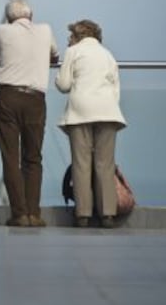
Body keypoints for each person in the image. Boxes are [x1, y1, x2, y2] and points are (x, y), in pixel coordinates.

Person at [0, 0, 59, 227]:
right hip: (36, 99)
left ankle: (19, 214)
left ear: (9, 18)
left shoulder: (1, 31)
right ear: (31, 15)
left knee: (10, 157)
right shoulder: (46, 30)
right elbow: (54, 56)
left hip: (9, 97)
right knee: (33, 157)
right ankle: (34, 213)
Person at [55, 19, 127, 228]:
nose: (68, 40)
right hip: (108, 112)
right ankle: (107, 214)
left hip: (81, 111)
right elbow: (115, 89)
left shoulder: (73, 52)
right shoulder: (108, 55)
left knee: (81, 163)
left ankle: (83, 215)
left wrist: (57, 78)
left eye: (70, 36)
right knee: (105, 164)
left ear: (78, 35)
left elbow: (64, 84)